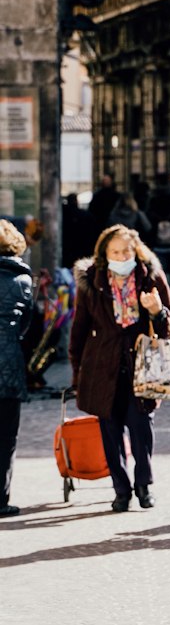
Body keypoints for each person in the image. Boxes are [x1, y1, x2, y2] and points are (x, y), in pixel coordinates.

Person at [69, 224, 170, 512]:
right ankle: (121, 490)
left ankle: (144, 485)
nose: (121, 256)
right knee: (110, 430)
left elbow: (169, 322)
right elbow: (79, 328)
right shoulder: (92, 280)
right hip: (101, 366)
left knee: (142, 427)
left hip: (141, 364)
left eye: (126, 250)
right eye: (115, 251)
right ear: (104, 253)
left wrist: (156, 311)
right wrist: (77, 372)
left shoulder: (150, 275)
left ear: (136, 250)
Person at [0, 221, 33, 517]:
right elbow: (27, 327)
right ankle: (0, 499)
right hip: (8, 364)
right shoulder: (22, 281)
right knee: (6, 436)